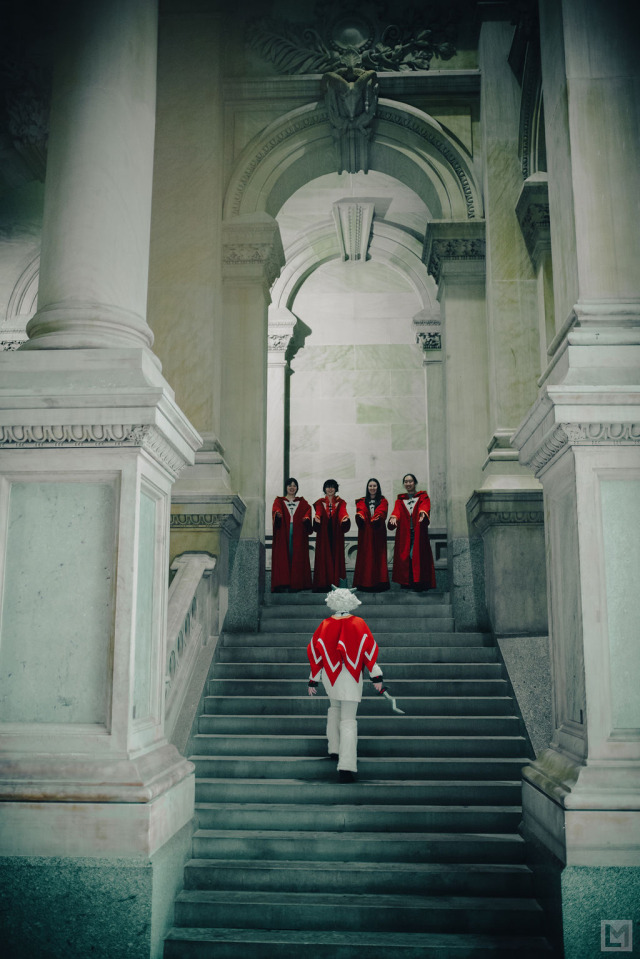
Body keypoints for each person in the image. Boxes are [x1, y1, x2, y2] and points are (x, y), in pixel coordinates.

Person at [307, 587, 384, 782]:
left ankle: (334, 748)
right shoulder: (359, 623)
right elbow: (368, 652)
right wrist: (377, 678)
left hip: (330, 677)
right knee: (348, 720)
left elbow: (315, 654)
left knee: (334, 708)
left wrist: (313, 679)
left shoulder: (324, 625)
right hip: (350, 676)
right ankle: (346, 766)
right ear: (351, 601)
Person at [388, 473, 436, 591]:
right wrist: (394, 517)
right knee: (405, 557)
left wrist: (423, 513)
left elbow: (424, 506)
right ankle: (407, 582)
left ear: (415, 483)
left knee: (415, 556)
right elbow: (397, 511)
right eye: (406, 481)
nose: (408, 483)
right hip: (404, 534)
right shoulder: (400, 500)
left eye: (410, 481)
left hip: (418, 533)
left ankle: (418, 582)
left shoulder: (423, 497)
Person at [271, 477, 312, 592]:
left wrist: (307, 518)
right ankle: (284, 582)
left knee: (297, 556)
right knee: (284, 555)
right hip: (284, 532)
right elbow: (276, 509)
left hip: (298, 532)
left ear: (297, 488)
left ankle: (297, 583)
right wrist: (278, 514)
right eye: (290, 485)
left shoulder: (302, 502)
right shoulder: (279, 500)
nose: (292, 487)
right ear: (286, 487)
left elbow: (308, 510)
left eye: (294, 485)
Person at [312, 479, 350, 591]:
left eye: (332, 487)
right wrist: (317, 518)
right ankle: (323, 584)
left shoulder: (341, 502)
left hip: (336, 533)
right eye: (328, 487)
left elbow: (343, 512)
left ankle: (336, 583)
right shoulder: (320, 502)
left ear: (336, 489)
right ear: (324, 489)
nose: (330, 489)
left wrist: (345, 518)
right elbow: (318, 512)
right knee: (323, 557)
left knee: (336, 556)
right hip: (323, 534)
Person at [352, 477, 389, 591]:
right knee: (366, 557)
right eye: (370, 486)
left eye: (374, 486)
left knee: (379, 557)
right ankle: (365, 583)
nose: (372, 488)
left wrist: (377, 517)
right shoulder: (362, 501)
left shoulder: (383, 501)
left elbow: (382, 511)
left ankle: (379, 583)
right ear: (367, 488)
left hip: (378, 533)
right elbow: (361, 510)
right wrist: (361, 516)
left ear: (378, 488)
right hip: (366, 534)